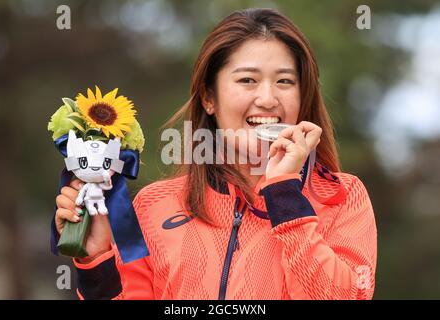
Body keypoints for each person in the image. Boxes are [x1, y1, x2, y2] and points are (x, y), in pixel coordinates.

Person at [55, 8, 377, 300]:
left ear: (302, 96)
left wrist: (284, 195)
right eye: (247, 80)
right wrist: (95, 260)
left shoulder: (341, 196)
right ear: (210, 98)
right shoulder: (153, 205)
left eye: (285, 81)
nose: (267, 98)